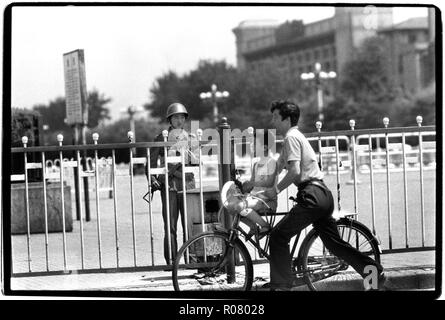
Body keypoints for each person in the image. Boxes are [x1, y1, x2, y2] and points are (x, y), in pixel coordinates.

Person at [261, 99, 386, 291]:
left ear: (287, 119)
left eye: (276, 117)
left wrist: (275, 190)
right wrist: (251, 185)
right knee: (335, 245)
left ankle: (281, 286)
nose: (273, 122)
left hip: (312, 196)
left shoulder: (291, 138)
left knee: (278, 236)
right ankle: (375, 272)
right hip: (322, 195)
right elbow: (276, 169)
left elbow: (293, 172)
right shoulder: (295, 138)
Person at [147, 102, 196, 265]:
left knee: (189, 225)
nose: (179, 120)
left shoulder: (191, 139)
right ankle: (171, 260)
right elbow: (151, 165)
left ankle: (192, 259)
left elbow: (195, 163)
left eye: (182, 117)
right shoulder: (160, 138)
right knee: (171, 226)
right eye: (176, 117)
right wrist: (154, 179)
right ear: (170, 119)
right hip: (168, 186)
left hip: (187, 186)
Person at [240, 131, 278, 239]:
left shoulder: (271, 162)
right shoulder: (256, 164)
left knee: (240, 206)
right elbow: (252, 185)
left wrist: (252, 183)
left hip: (268, 202)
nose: (252, 146)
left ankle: (265, 226)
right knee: (232, 206)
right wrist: (243, 186)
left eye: (255, 144)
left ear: (265, 147)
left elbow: (269, 183)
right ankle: (253, 227)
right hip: (255, 199)